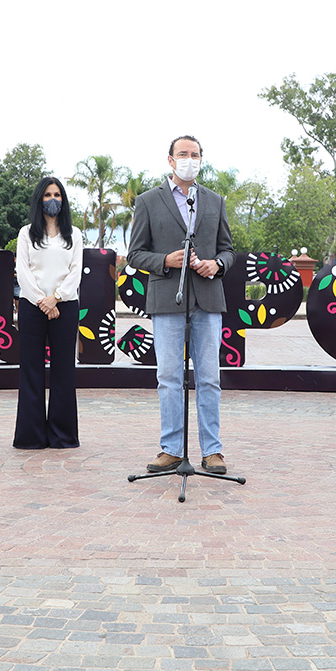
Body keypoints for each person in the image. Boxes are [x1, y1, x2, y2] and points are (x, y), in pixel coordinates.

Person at [127, 135, 235, 475]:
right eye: (183, 154)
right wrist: (166, 261)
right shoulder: (147, 201)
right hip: (167, 299)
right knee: (169, 377)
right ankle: (171, 449)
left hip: (207, 298)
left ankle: (212, 451)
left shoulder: (215, 201)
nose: (190, 159)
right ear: (170, 161)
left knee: (210, 377)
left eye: (196, 154)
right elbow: (134, 254)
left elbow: (228, 249)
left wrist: (217, 264)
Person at [13, 177, 84, 449]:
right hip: (33, 306)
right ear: (38, 200)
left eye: (57, 194)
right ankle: (30, 436)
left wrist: (56, 298)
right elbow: (24, 272)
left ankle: (62, 435)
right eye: (46, 195)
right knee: (31, 369)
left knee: (63, 370)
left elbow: (75, 272)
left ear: (63, 200)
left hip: (65, 306)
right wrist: (43, 301)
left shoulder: (74, 234)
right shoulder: (26, 233)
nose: (52, 199)